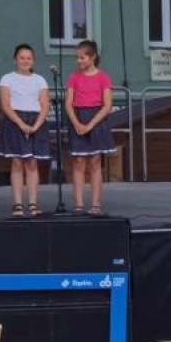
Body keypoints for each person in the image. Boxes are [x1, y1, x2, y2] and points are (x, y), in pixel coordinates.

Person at [0, 43, 51, 219]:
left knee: (32, 163)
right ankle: (18, 203)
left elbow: (44, 105)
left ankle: (33, 202)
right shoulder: (7, 79)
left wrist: (36, 125)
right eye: (22, 58)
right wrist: (21, 124)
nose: (25, 61)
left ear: (33, 60)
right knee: (17, 162)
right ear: (15, 60)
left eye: (28, 58)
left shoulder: (40, 80)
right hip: (15, 120)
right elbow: (5, 105)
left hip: (36, 120)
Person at [66, 39, 115, 216]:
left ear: (92, 57)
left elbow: (107, 105)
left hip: (96, 119)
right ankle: (78, 204)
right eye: (77, 58)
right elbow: (68, 104)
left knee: (95, 162)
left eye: (82, 57)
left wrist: (90, 125)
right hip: (78, 117)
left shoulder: (103, 77)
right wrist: (77, 123)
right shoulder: (74, 77)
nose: (78, 61)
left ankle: (95, 204)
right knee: (79, 162)